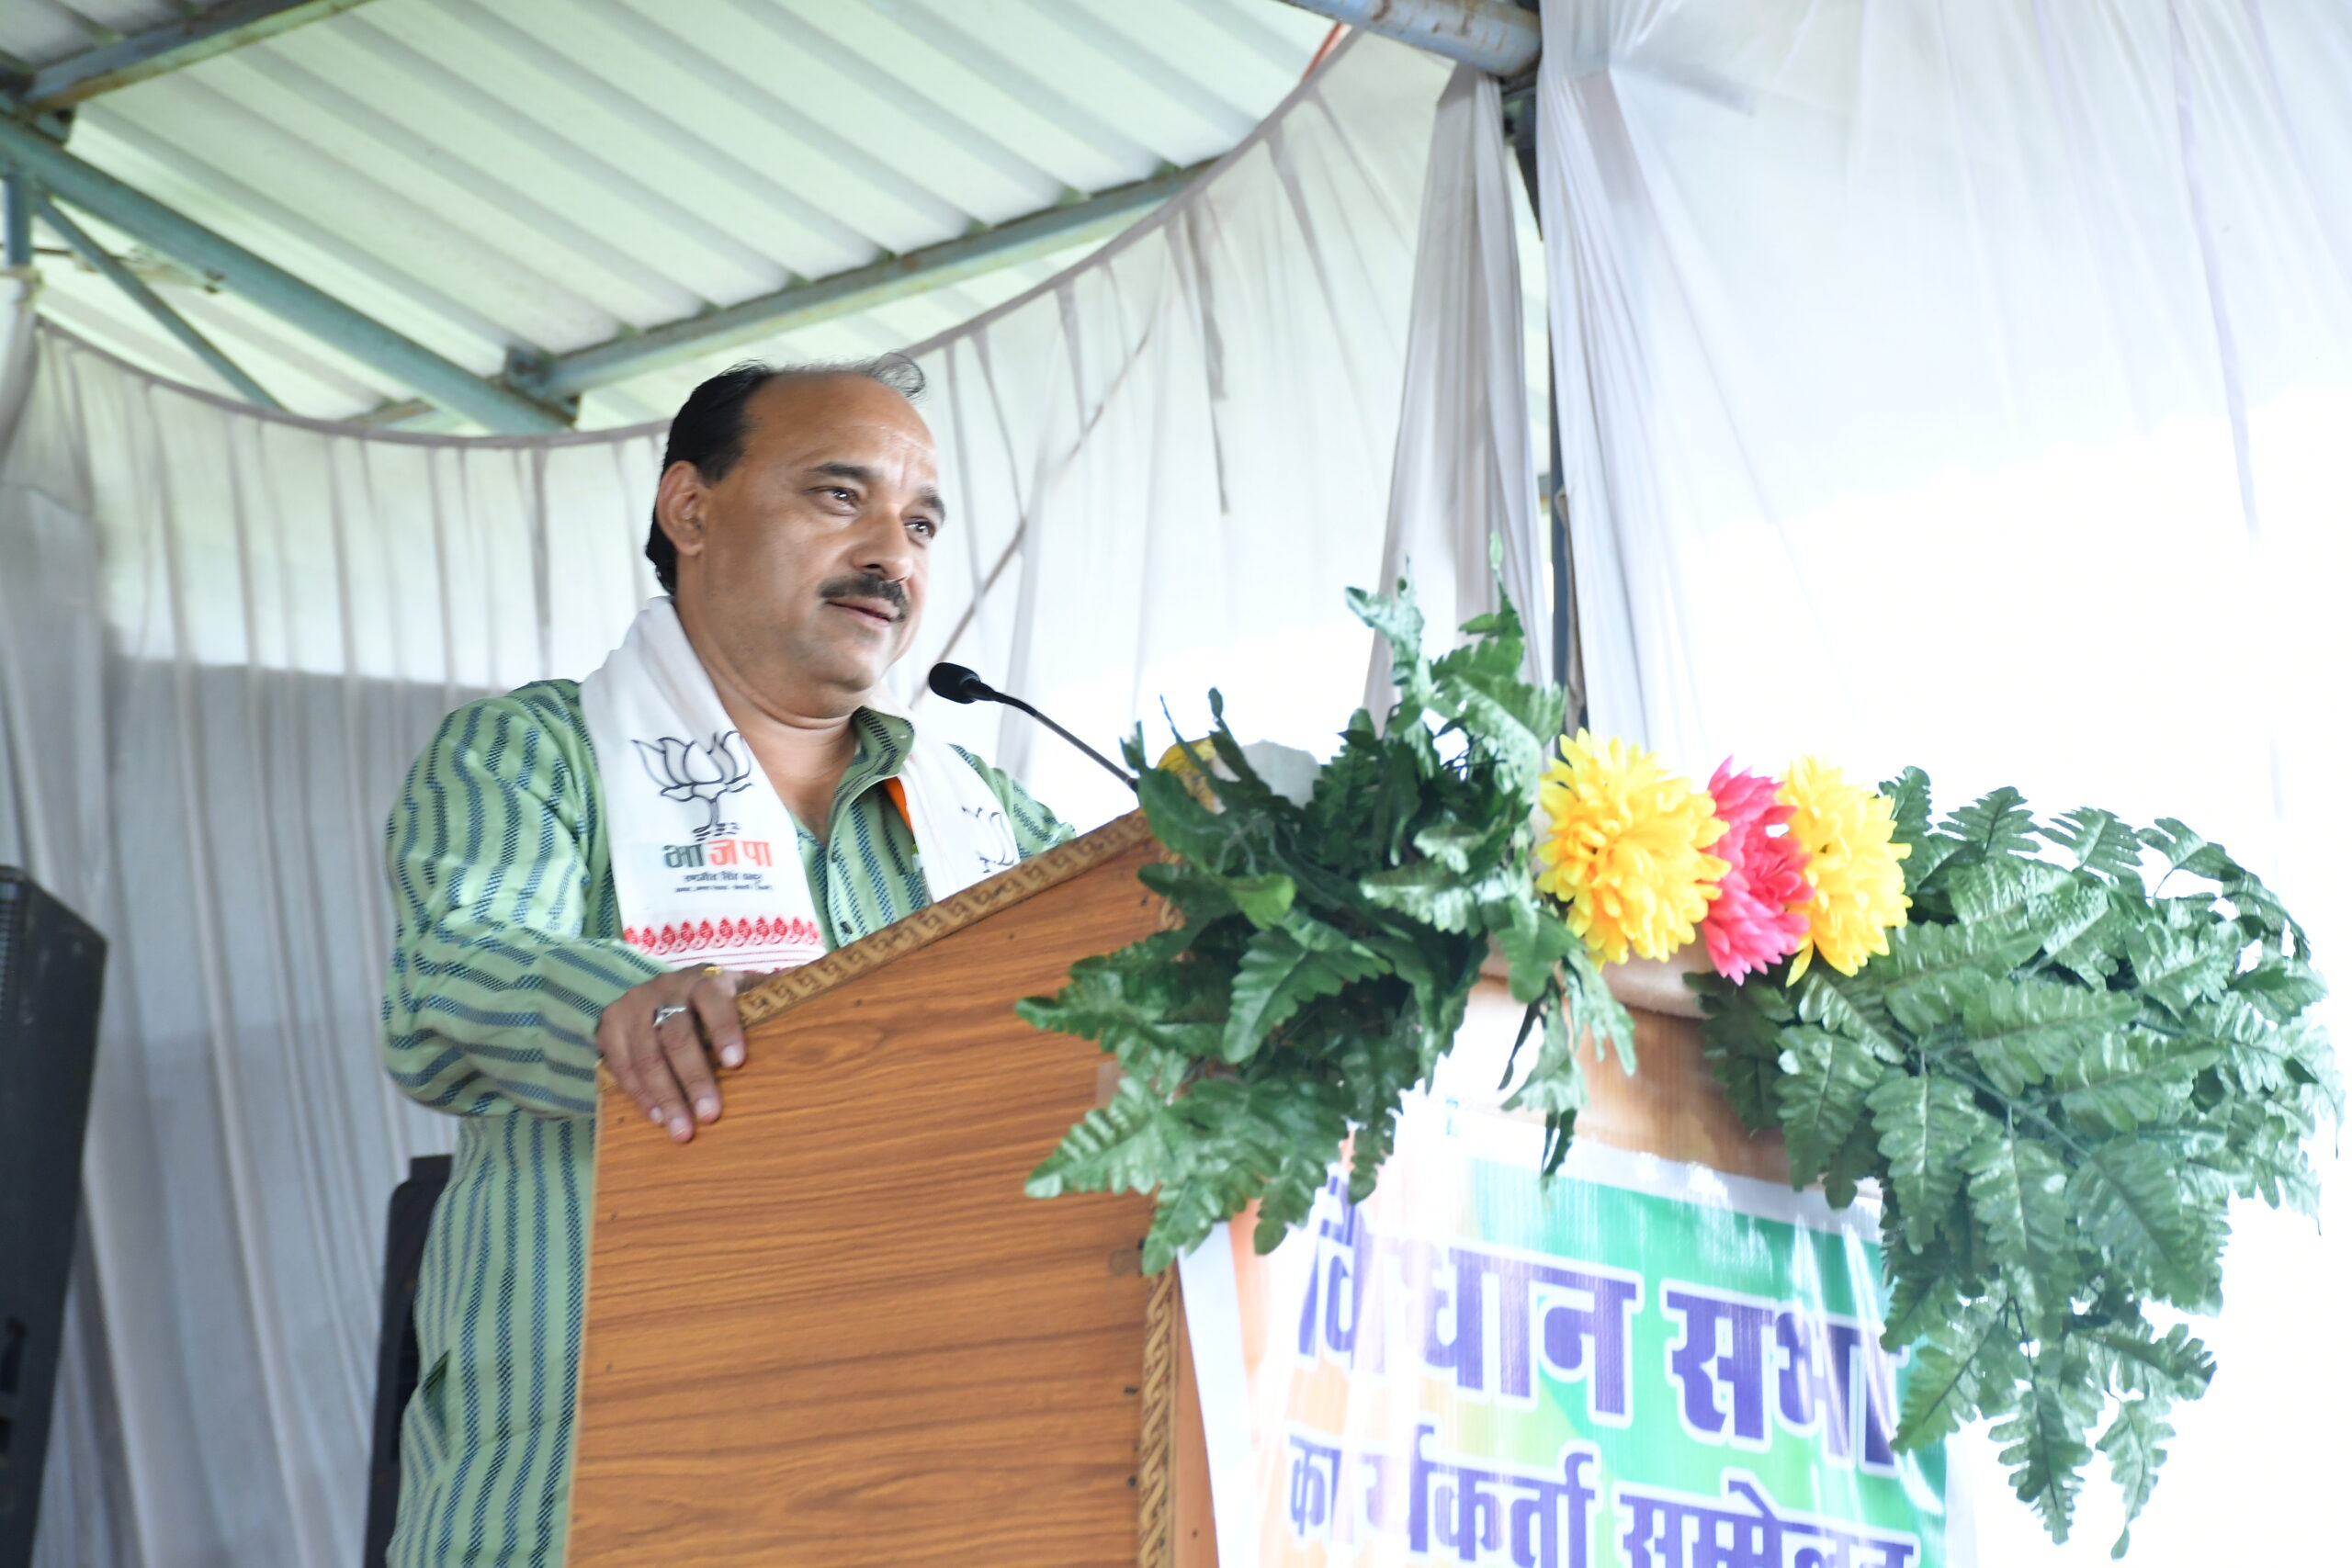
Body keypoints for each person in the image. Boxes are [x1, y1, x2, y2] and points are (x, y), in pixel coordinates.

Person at [378, 356, 1069, 1568]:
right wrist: (626, 1007)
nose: (893, 557)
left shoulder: (998, 827)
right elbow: (452, 981)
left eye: (920, 525)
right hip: (584, 1496)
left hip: (926, 1486)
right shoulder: (537, 753)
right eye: (840, 496)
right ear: (690, 509)